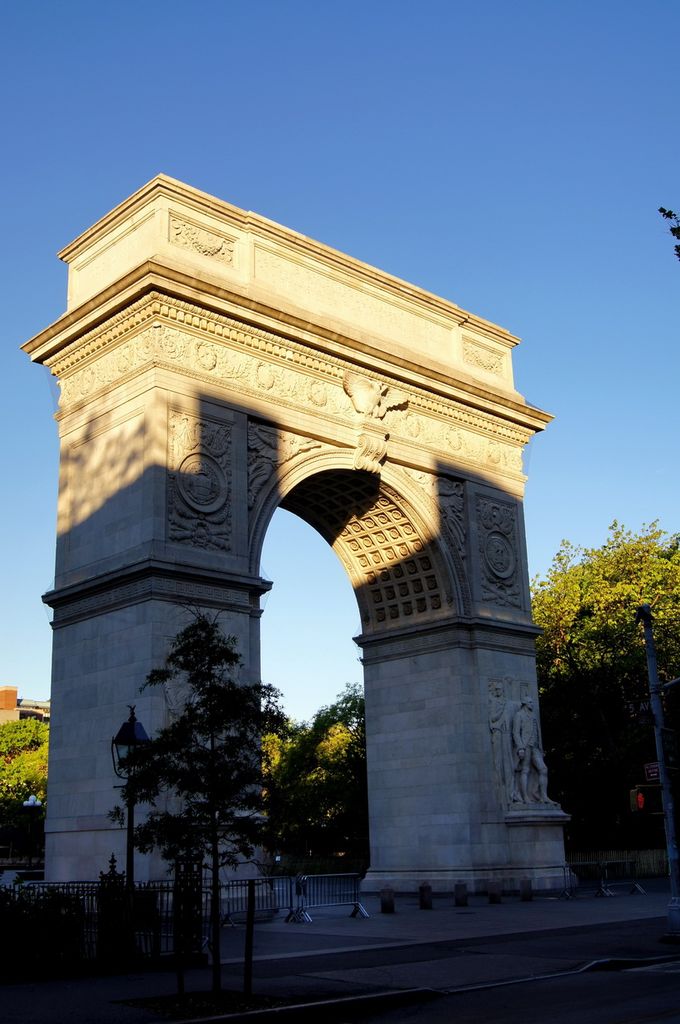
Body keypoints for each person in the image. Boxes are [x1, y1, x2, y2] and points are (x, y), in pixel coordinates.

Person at [512, 695, 552, 804]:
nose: (532, 704)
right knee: (525, 770)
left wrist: (540, 747)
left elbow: (537, 732)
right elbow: (515, 732)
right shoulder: (519, 715)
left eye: (532, 702)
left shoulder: (534, 716)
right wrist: (520, 747)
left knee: (543, 769)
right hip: (525, 746)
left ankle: (543, 796)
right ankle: (525, 797)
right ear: (525, 703)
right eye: (530, 702)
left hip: (535, 747)